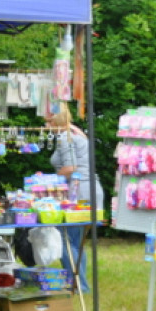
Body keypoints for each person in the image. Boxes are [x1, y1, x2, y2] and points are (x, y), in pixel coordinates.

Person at [47, 104, 102, 294]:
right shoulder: (77, 133)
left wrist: (48, 181)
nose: (45, 127)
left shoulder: (65, 137)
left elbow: (70, 168)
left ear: (55, 120)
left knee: (64, 240)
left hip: (78, 192)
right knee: (76, 242)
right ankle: (80, 284)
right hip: (90, 189)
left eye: (47, 122)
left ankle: (78, 285)